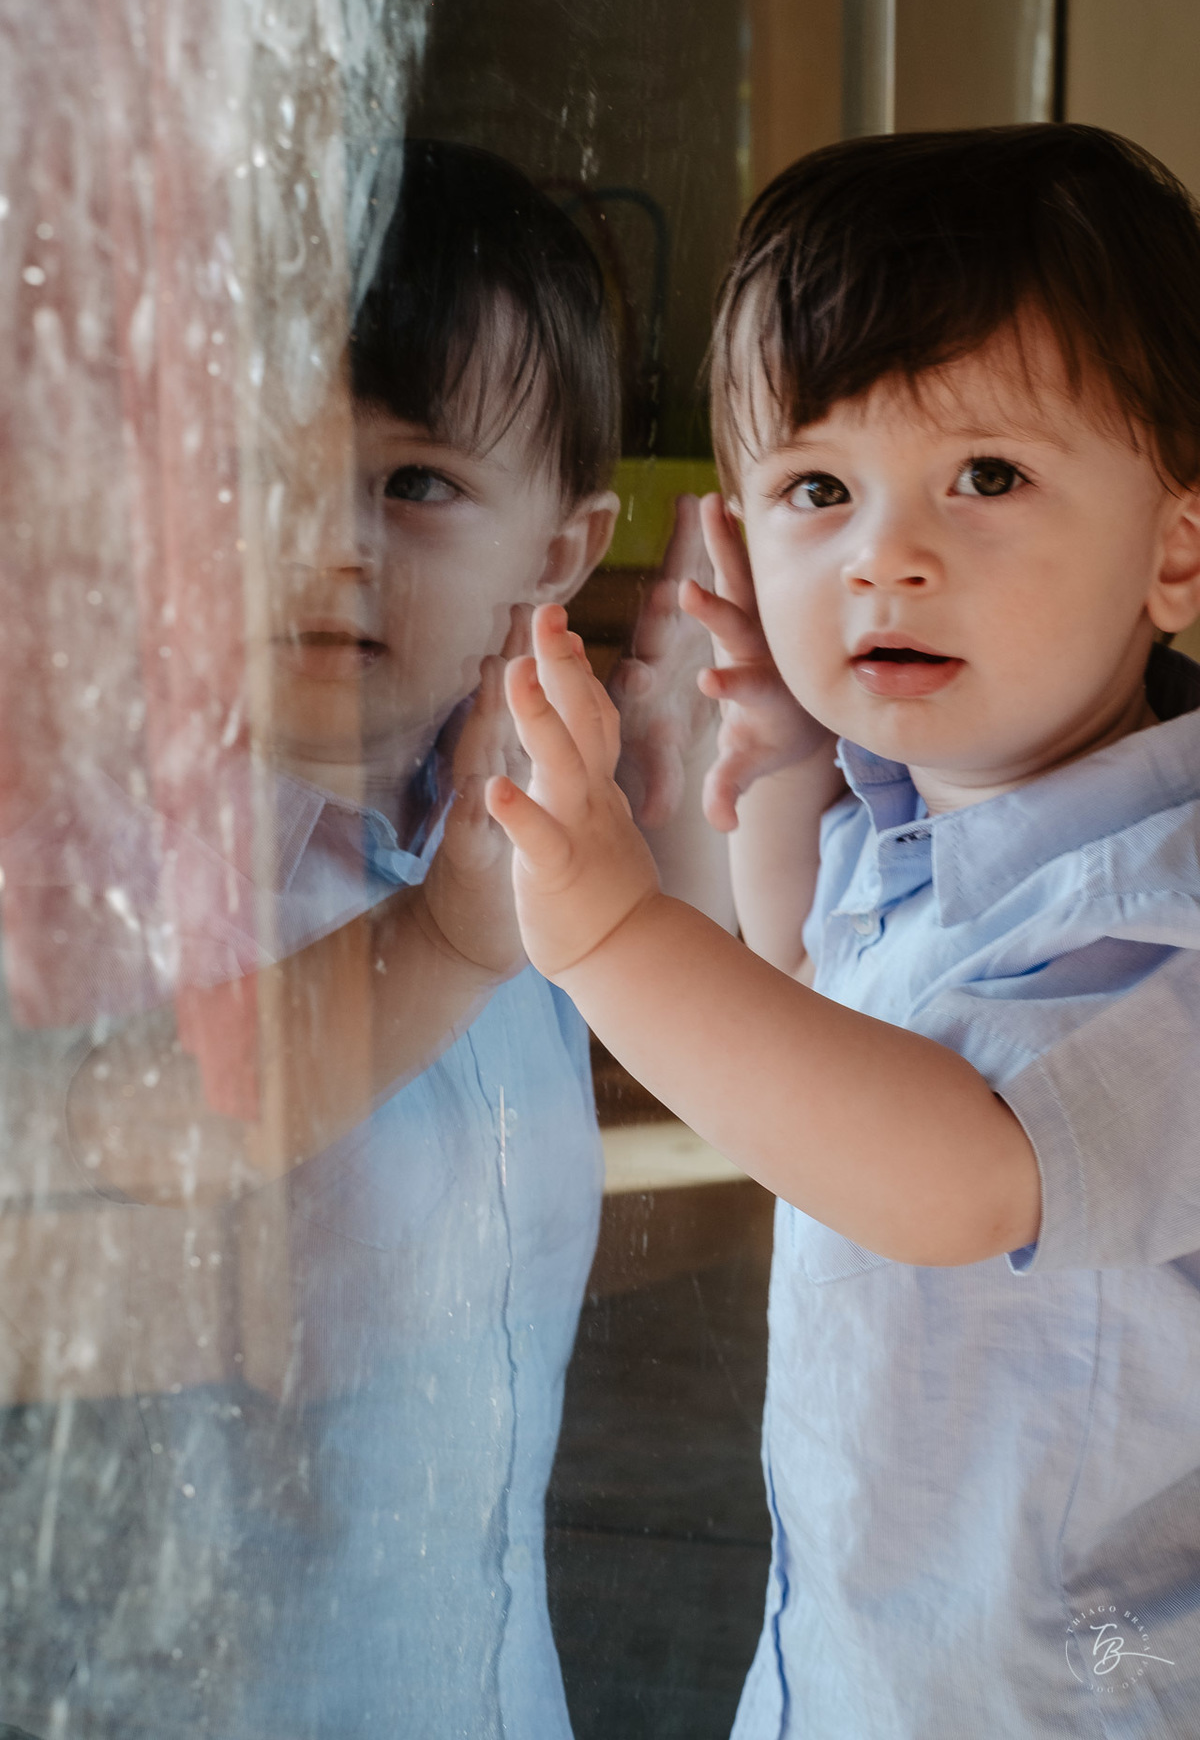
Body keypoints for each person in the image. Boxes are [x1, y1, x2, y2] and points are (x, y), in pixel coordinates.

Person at [485, 124, 1200, 1734]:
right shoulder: (920, 817)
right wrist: (792, 760)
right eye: (818, 489)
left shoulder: (1167, 908)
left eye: (988, 476)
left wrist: (611, 941)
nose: (886, 552)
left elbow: (945, 1171)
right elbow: (814, 981)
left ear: (1177, 548)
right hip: (867, 1660)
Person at [2, 140, 619, 1739]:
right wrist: (445, 943)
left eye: (416, 481)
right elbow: (148, 1118)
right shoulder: (113, 844)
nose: (327, 540)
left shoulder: (513, 840)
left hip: (472, 1683)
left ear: (555, 555)